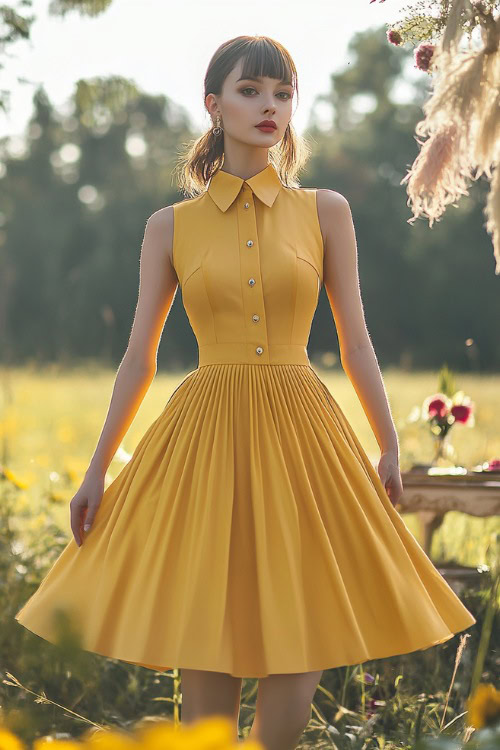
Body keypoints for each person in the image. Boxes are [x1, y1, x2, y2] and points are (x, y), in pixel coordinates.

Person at [15, 35, 476, 750]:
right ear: (214, 105)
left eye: (283, 93)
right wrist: (98, 466)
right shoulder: (168, 227)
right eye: (252, 90)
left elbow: (357, 341)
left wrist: (388, 442)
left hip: (303, 429)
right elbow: (139, 356)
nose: (270, 106)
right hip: (206, 430)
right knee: (210, 618)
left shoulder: (327, 211)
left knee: (305, 608)